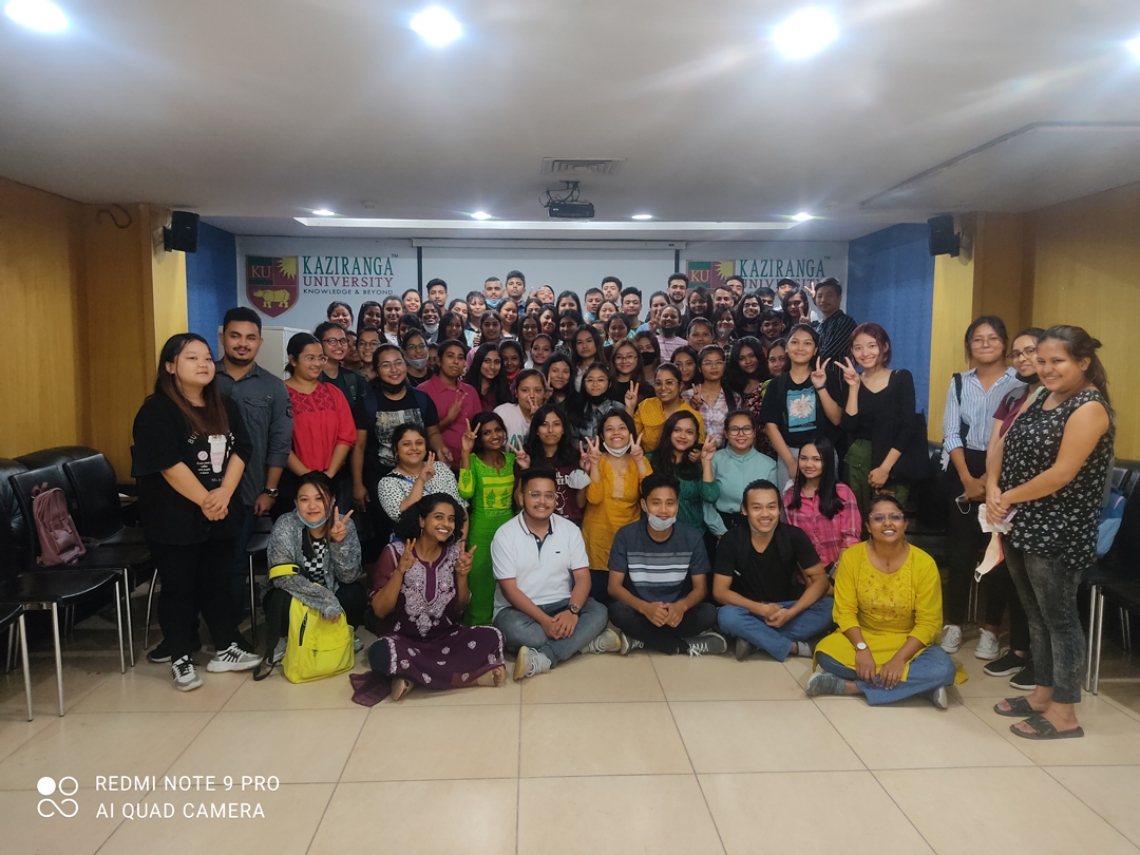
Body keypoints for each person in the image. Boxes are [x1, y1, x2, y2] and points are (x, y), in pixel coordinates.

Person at [988, 326, 1114, 740]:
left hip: (1059, 528)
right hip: (1022, 522)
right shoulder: (1043, 396)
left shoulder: (1090, 406)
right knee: (1036, 616)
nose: (1046, 369)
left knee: (1060, 620)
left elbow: (1062, 473)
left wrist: (1007, 497)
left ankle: (1065, 712)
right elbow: (1005, 441)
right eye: (1041, 361)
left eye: (1056, 361)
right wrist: (995, 489)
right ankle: (1043, 694)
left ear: (1083, 362)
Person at [132, 333, 261, 690]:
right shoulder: (158, 410)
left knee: (217, 583)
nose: (204, 364)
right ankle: (180, 655)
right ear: (170, 366)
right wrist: (207, 500)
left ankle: (225, 645)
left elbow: (243, 450)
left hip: (221, 511)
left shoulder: (224, 405)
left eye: (207, 357)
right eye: (192, 358)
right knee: (180, 586)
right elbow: (168, 464)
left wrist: (224, 494)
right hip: (175, 517)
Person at [808, 494, 957, 709]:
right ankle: (921, 687)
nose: (887, 523)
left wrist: (899, 660)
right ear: (868, 525)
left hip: (909, 642)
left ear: (905, 524)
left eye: (895, 517)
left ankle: (851, 687)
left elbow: (928, 622)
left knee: (943, 669)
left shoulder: (924, 563)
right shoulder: (852, 557)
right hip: (863, 636)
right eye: (878, 518)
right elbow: (845, 611)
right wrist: (861, 649)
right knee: (825, 654)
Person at [360, 493, 505, 701]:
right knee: (381, 654)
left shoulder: (455, 554)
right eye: (439, 517)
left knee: (494, 635)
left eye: (451, 519)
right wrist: (400, 572)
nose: (446, 524)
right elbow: (380, 610)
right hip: (403, 641)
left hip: (445, 639)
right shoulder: (395, 552)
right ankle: (470, 678)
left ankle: (412, 678)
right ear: (421, 520)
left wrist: (462, 576)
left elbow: (460, 608)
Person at [940, 316, 1024, 653]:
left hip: (1005, 473)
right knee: (959, 556)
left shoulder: (1021, 383)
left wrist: (990, 481)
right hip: (964, 468)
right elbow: (950, 432)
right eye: (977, 339)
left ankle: (990, 629)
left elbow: (1011, 435)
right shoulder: (960, 382)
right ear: (969, 346)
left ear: (1005, 343)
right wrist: (967, 479)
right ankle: (954, 625)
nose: (985, 344)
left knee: (998, 555)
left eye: (992, 338)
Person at [492, 470, 618, 680]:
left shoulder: (569, 530)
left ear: (556, 499)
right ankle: (584, 643)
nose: (542, 501)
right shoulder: (504, 535)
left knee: (599, 612)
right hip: (518, 612)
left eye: (549, 495)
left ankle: (545, 657)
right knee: (514, 629)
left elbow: (583, 579)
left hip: (562, 604)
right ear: (521, 497)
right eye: (535, 495)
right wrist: (546, 621)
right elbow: (510, 590)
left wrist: (572, 611)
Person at [211, 308, 293, 626]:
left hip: (246, 494)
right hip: (199, 491)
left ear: (259, 342)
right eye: (235, 336)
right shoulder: (204, 380)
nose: (242, 344)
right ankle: (192, 633)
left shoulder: (273, 387)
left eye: (249, 338)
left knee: (233, 564)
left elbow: (279, 442)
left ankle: (229, 633)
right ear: (222, 337)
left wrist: (270, 489)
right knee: (200, 565)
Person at [977, 327, 1045, 677]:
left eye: (1030, 351)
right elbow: (995, 444)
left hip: (1040, 503)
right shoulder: (1014, 394)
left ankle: (1038, 660)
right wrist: (992, 488)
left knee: (1036, 584)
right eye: (1017, 353)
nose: (1023, 358)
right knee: (1013, 576)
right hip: (1005, 499)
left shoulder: (1056, 397)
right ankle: (1019, 648)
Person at [714, 479, 832, 662]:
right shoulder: (731, 540)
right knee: (726, 616)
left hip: (787, 607)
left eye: (771, 507)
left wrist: (789, 614)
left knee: (830, 607)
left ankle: (754, 639)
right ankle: (793, 647)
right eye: (756, 508)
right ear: (744, 510)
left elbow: (821, 582)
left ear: (780, 509)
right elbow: (720, 592)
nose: (765, 514)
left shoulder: (794, 536)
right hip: (749, 609)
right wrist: (761, 609)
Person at [607, 473, 725, 655]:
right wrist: (645, 608)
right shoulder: (626, 536)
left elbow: (701, 588)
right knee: (616, 611)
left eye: (670, 503)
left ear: (677, 505)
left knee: (709, 612)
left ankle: (641, 638)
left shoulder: (692, 537)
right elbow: (614, 587)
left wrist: (681, 606)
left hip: (676, 613)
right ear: (644, 505)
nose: (663, 510)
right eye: (656, 503)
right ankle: (680, 646)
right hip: (641, 610)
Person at [261, 472, 368, 671]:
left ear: (333, 499)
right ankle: (286, 638)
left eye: (320, 498)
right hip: (296, 595)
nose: (312, 506)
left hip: (332, 591)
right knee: (277, 598)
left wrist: (338, 543)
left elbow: (349, 576)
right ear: (295, 502)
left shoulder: (345, 523)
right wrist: (325, 600)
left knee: (354, 593)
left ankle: (343, 632)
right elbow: (282, 576)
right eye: (304, 499)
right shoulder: (286, 524)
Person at [836, 323, 918, 517]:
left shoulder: (901, 378)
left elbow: (908, 427)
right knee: (860, 523)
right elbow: (849, 426)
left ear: (885, 347)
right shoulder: (852, 380)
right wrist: (854, 388)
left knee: (889, 522)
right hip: (857, 462)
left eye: (872, 345)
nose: (865, 353)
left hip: (892, 462)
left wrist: (884, 468)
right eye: (858, 347)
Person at [282, 333, 357, 516]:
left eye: (320, 358)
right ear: (293, 360)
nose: (317, 363)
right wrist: (308, 477)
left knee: (336, 534)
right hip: (294, 481)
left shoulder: (333, 393)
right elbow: (278, 441)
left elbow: (346, 436)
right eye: (310, 358)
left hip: (335, 479)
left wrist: (328, 475)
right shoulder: (280, 393)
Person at [459, 412, 523, 625]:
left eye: (498, 430)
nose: (494, 435)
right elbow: (466, 492)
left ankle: (504, 626)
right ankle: (479, 628)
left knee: (509, 579)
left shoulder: (513, 459)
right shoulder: (474, 461)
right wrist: (465, 453)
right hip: (481, 531)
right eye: (486, 432)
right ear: (479, 437)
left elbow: (521, 499)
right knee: (480, 581)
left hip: (510, 528)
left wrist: (525, 470)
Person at [759, 324, 842, 488]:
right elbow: (770, 426)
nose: (800, 348)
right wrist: (790, 461)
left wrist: (820, 387)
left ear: (815, 349)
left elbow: (837, 419)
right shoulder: (776, 385)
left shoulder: (828, 377)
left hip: (822, 453)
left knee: (826, 506)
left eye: (807, 343)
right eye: (795, 342)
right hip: (789, 453)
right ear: (787, 348)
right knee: (791, 509)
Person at [582, 411, 652, 574]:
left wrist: (639, 459)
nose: (616, 433)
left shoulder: (639, 460)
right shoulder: (596, 459)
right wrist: (594, 464)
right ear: (601, 434)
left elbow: (651, 494)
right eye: (609, 429)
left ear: (630, 433)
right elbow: (594, 498)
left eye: (622, 428)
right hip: (597, 539)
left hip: (629, 536)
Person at [783, 438, 861, 571]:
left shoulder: (842, 492)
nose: (808, 464)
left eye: (816, 459)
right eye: (803, 458)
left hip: (842, 570)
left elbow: (851, 537)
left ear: (828, 461)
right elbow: (793, 543)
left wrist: (835, 573)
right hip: (807, 574)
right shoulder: (790, 495)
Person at [650, 411, 723, 538]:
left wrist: (705, 462)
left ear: (696, 437)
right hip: (655, 535)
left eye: (689, 432)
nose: (683, 436)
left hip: (692, 535)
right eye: (677, 430)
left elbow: (711, 497)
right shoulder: (650, 460)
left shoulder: (698, 465)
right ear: (669, 433)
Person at [377, 424, 464, 528]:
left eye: (419, 443)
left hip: (450, 539)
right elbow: (402, 517)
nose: (414, 448)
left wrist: (460, 542)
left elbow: (461, 510)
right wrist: (420, 480)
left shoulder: (441, 468)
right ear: (396, 450)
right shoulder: (387, 483)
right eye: (406, 444)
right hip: (413, 542)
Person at [522, 403, 590, 525]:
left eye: (556, 424)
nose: (550, 430)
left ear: (564, 429)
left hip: (570, 525)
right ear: (536, 430)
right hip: (537, 526)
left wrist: (585, 472)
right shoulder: (527, 458)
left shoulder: (576, 458)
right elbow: (519, 501)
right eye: (544, 424)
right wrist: (524, 470)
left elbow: (580, 504)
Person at [418, 339, 481, 468]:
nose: (456, 362)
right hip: (435, 467)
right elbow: (420, 436)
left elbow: (478, 428)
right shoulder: (423, 391)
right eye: (450, 356)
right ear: (439, 361)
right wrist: (448, 419)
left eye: (460, 357)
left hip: (469, 463)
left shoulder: (470, 391)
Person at [711, 411, 777, 532]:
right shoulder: (713, 460)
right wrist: (720, 531)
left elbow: (773, 504)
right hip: (722, 524)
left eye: (746, 429)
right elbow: (707, 503)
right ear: (726, 433)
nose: (741, 434)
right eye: (734, 429)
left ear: (754, 433)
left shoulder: (769, 464)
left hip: (759, 527)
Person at [634, 363, 704, 454]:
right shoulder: (646, 405)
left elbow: (699, 450)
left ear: (681, 385)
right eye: (658, 383)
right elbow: (632, 437)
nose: (663, 388)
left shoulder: (694, 416)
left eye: (669, 383)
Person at [684, 344, 738, 449]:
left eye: (718, 362)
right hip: (693, 455)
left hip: (724, 457)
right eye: (708, 363)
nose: (714, 367)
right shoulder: (686, 396)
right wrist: (693, 408)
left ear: (724, 366)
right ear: (699, 368)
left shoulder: (734, 398)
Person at [724, 337, 770, 453]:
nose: (748, 361)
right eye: (742, 358)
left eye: (751, 356)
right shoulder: (731, 387)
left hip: (769, 445)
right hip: (740, 446)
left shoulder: (769, 383)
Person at [569, 362, 627, 448]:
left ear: (609, 384)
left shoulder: (618, 408)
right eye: (590, 380)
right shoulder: (575, 408)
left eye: (600, 380)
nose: (595, 384)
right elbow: (572, 441)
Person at [494, 368, 546, 447]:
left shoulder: (550, 416)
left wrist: (537, 419)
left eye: (537, 390)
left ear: (545, 393)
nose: (531, 395)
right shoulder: (502, 413)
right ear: (516, 393)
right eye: (525, 390)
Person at [812, 278, 857, 364]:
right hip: (815, 375)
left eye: (829, 295)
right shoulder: (818, 325)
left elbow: (827, 354)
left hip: (836, 376)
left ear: (839, 298)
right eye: (819, 296)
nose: (823, 300)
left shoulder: (846, 322)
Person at [608, 339, 652, 408]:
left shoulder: (647, 390)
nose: (624, 361)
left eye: (629, 356)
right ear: (613, 360)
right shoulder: (606, 386)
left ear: (638, 358)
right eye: (619, 357)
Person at [469, 342, 511, 412]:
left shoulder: (504, 391)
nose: (492, 367)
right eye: (487, 361)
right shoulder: (464, 388)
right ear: (478, 361)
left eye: (497, 362)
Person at [570, 325, 605, 390]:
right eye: (579, 342)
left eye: (589, 341)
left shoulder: (605, 369)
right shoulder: (571, 369)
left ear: (596, 342)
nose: (584, 346)